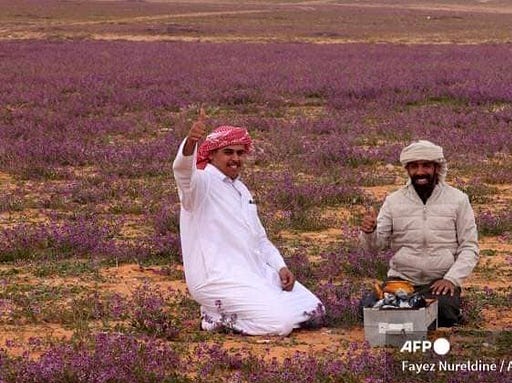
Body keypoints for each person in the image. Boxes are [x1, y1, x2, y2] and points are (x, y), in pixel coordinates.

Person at [173, 108, 324, 335]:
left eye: (240, 153)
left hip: (253, 273)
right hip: (217, 278)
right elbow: (183, 171)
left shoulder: (241, 189)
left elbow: (260, 239)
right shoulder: (200, 185)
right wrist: (191, 143)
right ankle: (215, 317)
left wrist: (280, 266)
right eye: (228, 152)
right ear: (212, 155)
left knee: (315, 310)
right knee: (279, 325)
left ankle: (257, 308)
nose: (235, 159)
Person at [359, 140, 479, 327]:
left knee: (444, 311)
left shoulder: (458, 200)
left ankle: (412, 315)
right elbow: (376, 246)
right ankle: (411, 315)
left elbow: (469, 247)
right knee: (366, 308)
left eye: (426, 166)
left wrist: (451, 279)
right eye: (414, 166)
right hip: (401, 281)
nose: (420, 172)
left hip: (438, 282)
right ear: (407, 169)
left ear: (436, 168)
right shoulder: (394, 201)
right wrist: (369, 232)